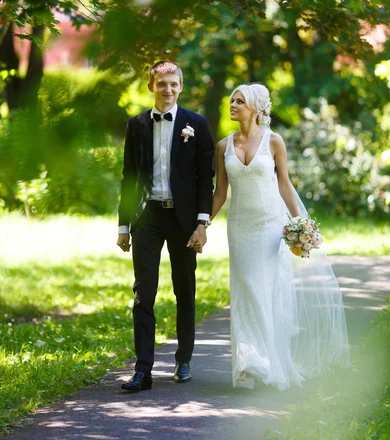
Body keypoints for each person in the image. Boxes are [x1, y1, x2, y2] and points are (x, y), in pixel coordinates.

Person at [211, 83, 350, 390]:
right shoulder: (223, 147)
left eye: (240, 101)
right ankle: (248, 365)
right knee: (246, 292)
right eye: (232, 100)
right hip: (240, 228)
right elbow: (220, 193)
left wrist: (303, 224)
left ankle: (269, 362)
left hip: (271, 227)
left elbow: (285, 185)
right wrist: (201, 224)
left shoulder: (274, 142)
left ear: (256, 108)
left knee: (268, 293)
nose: (232, 105)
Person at [117, 61, 214, 393]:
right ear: (151, 86)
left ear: (181, 87)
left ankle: (183, 359)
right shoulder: (137, 125)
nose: (168, 89)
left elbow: (206, 178)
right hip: (148, 217)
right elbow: (129, 177)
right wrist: (123, 225)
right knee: (144, 293)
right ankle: (143, 370)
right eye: (162, 84)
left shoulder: (197, 125)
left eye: (174, 84)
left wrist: (202, 223)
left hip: (184, 220)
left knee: (184, 290)